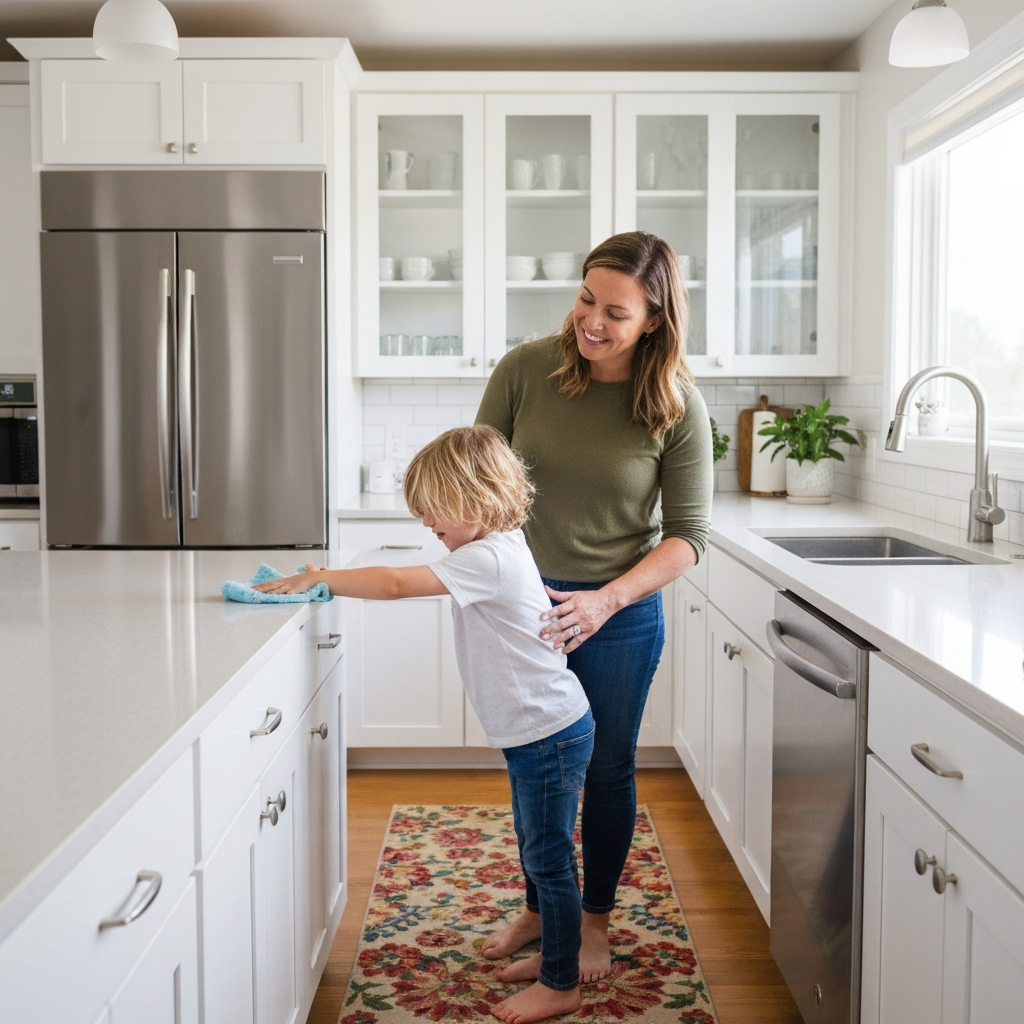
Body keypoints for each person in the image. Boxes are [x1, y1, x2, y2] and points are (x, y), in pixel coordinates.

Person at [255, 425, 595, 1024]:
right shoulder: (499, 541)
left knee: (548, 857)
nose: (425, 524)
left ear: (473, 497)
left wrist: (321, 578)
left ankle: (560, 981)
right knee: (536, 844)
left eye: (433, 509)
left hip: (545, 733)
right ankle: (545, 937)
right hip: (544, 729)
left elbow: (394, 582)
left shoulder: (485, 556)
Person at [475, 231, 713, 982]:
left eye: (616, 311)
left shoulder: (676, 403)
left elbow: (689, 538)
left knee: (605, 772)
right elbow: (480, 477)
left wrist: (605, 601)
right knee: (534, 768)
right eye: (586, 299)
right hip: (526, 612)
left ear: (654, 321)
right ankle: (542, 909)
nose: (592, 322)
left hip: (618, 615)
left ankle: (596, 922)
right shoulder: (524, 370)